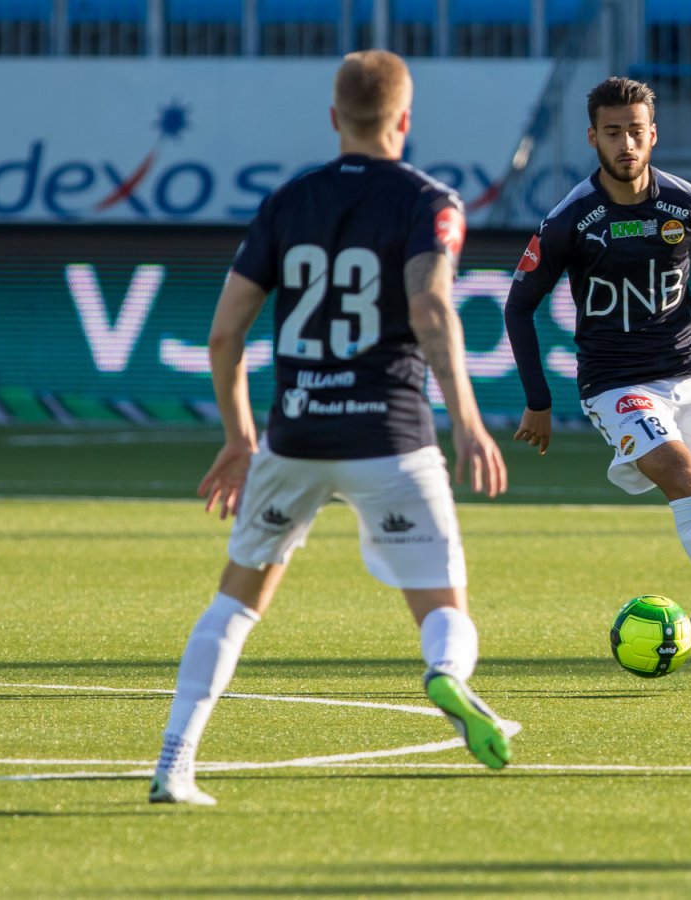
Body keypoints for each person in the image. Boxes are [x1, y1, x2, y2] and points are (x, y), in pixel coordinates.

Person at [149, 50, 513, 805]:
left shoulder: (288, 202)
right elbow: (431, 308)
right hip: (392, 435)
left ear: (333, 118)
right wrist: (469, 422)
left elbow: (224, 335)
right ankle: (447, 679)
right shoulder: (430, 202)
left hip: (297, 436)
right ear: (406, 120)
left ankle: (175, 763)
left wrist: (240, 438)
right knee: (444, 609)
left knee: (237, 603)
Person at [503, 76, 691, 693]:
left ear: (653, 134)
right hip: (616, 384)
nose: (626, 143)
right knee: (683, 473)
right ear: (593, 138)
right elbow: (519, 304)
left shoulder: (687, 203)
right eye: (613, 132)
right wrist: (538, 400)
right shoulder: (572, 218)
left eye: (636, 131)